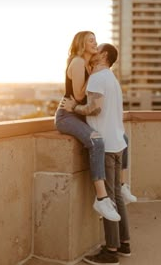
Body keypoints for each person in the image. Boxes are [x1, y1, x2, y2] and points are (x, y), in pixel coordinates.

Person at [62, 43, 131, 265]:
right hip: (118, 142)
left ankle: (111, 251)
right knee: (117, 197)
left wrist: (74, 108)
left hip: (108, 146)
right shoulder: (112, 79)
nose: (94, 51)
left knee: (108, 200)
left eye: (97, 48)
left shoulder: (98, 78)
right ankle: (124, 243)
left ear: (103, 55)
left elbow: (95, 107)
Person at [55, 31, 121, 222]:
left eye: (96, 40)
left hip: (78, 115)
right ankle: (101, 198)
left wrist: (93, 73)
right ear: (82, 43)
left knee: (121, 137)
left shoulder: (87, 66)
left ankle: (121, 187)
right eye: (91, 40)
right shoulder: (77, 62)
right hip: (67, 116)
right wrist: (94, 77)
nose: (95, 43)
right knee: (97, 141)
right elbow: (77, 96)